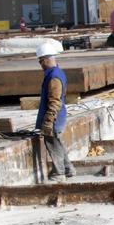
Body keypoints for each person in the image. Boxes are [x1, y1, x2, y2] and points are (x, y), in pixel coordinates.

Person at [35, 40, 74, 179]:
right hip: (58, 117)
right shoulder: (56, 73)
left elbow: (54, 101)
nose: (40, 65)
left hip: (55, 118)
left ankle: (59, 173)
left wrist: (48, 120)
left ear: (46, 60)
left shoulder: (53, 77)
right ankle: (68, 169)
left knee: (53, 144)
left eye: (41, 61)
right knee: (57, 143)